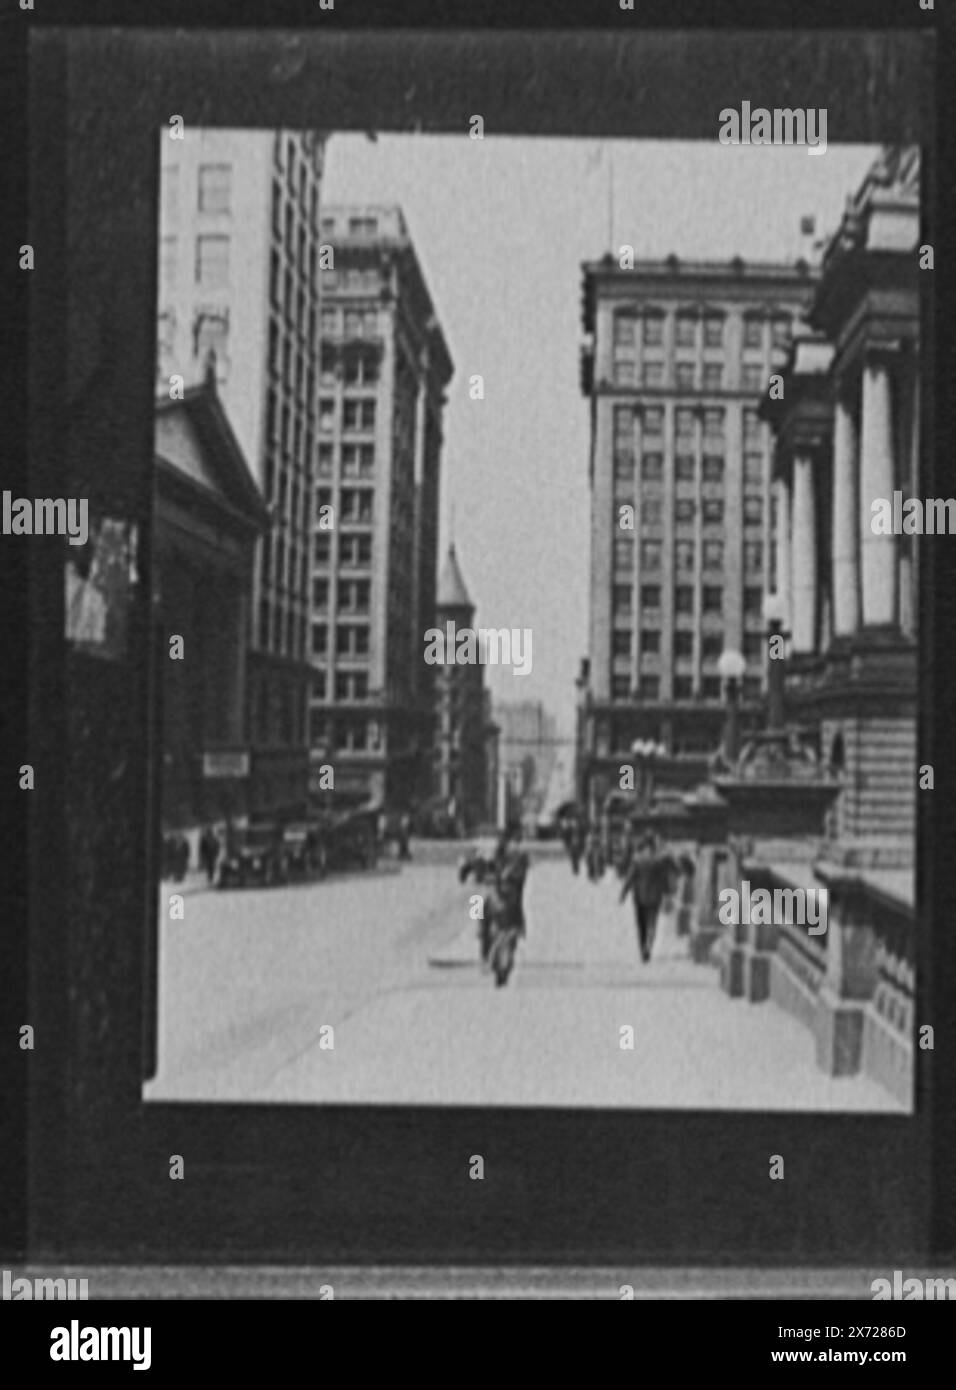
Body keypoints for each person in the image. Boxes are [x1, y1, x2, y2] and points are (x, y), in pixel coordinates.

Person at [619, 830, 679, 963]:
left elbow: (630, 877)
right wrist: (668, 893)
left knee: (642, 925)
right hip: (655, 897)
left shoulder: (637, 859)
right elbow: (664, 879)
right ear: (653, 845)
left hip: (639, 897)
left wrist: (623, 893)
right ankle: (649, 946)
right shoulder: (659, 860)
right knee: (652, 923)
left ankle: (642, 948)